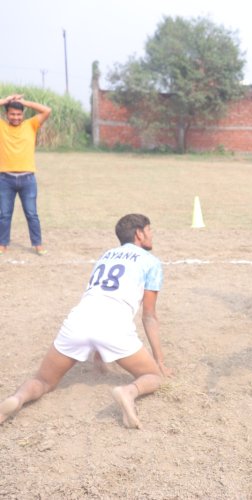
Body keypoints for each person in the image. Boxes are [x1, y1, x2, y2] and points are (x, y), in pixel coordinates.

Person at [0, 214, 171, 429]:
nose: (152, 234)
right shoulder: (151, 262)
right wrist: (159, 360)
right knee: (152, 376)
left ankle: (18, 398)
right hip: (114, 327)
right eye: (150, 229)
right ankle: (128, 392)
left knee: (43, 381)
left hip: (78, 321)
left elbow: (98, 297)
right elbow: (149, 315)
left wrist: (98, 350)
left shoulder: (106, 255)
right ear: (139, 233)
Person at [0, 95, 52, 256]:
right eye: (12, 114)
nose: (15, 117)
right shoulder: (1, 126)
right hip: (5, 179)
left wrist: (24, 103)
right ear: (7, 114)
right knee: (4, 214)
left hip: (28, 179)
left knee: (31, 214)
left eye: (18, 114)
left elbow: (47, 110)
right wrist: (6, 100)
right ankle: (2, 244)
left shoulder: (31, 124)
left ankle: (37, 244)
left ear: (23, 114)